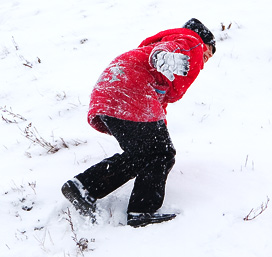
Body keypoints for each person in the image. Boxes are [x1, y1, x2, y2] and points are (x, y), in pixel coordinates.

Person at [61, 19, 216, 228]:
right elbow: (171, 47)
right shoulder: (190, 41)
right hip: (131, 90)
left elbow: (159, 105)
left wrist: (160, 130)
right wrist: (162, 56)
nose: (204, 63)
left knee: (143, 153)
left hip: (110, 91)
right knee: (161, 153)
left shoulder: (155, 53)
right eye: (207, 55)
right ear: (203, 44)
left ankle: (84, 188)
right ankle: (142, 210)